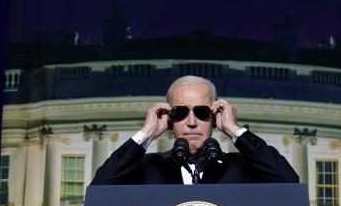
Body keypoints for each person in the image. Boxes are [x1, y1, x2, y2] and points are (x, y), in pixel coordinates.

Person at [90, 75, 299, 185]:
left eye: (201, 112)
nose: (191, 122)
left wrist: (233, 129)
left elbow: (288, 181)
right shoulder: (146, 167)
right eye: (180, 113)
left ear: (215, 117)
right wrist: (147, 133)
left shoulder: (242, 167)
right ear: (170, 119)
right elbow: (101, 187)